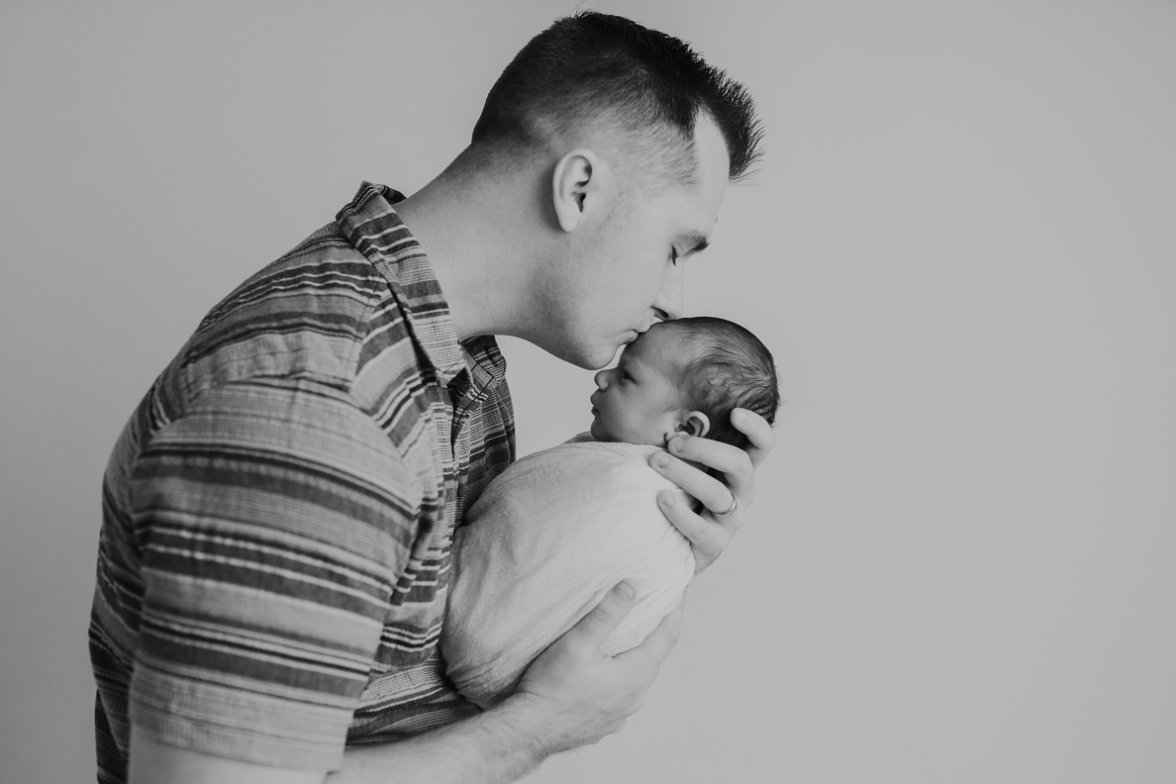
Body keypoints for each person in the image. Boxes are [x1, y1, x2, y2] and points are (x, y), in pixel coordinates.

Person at [89, 12, 775, 784]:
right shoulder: (319, 407)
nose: (669, 300)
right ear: (580, 187)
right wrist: (541, 727)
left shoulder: (448, 351)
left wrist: (651, 538)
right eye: (675, 248)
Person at [443, 317, 780, 708]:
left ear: (685, 427)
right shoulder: (629, 479)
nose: (603, 377)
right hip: (503, 688)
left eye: (627, 376)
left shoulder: (638, 493)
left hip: (475, 637)